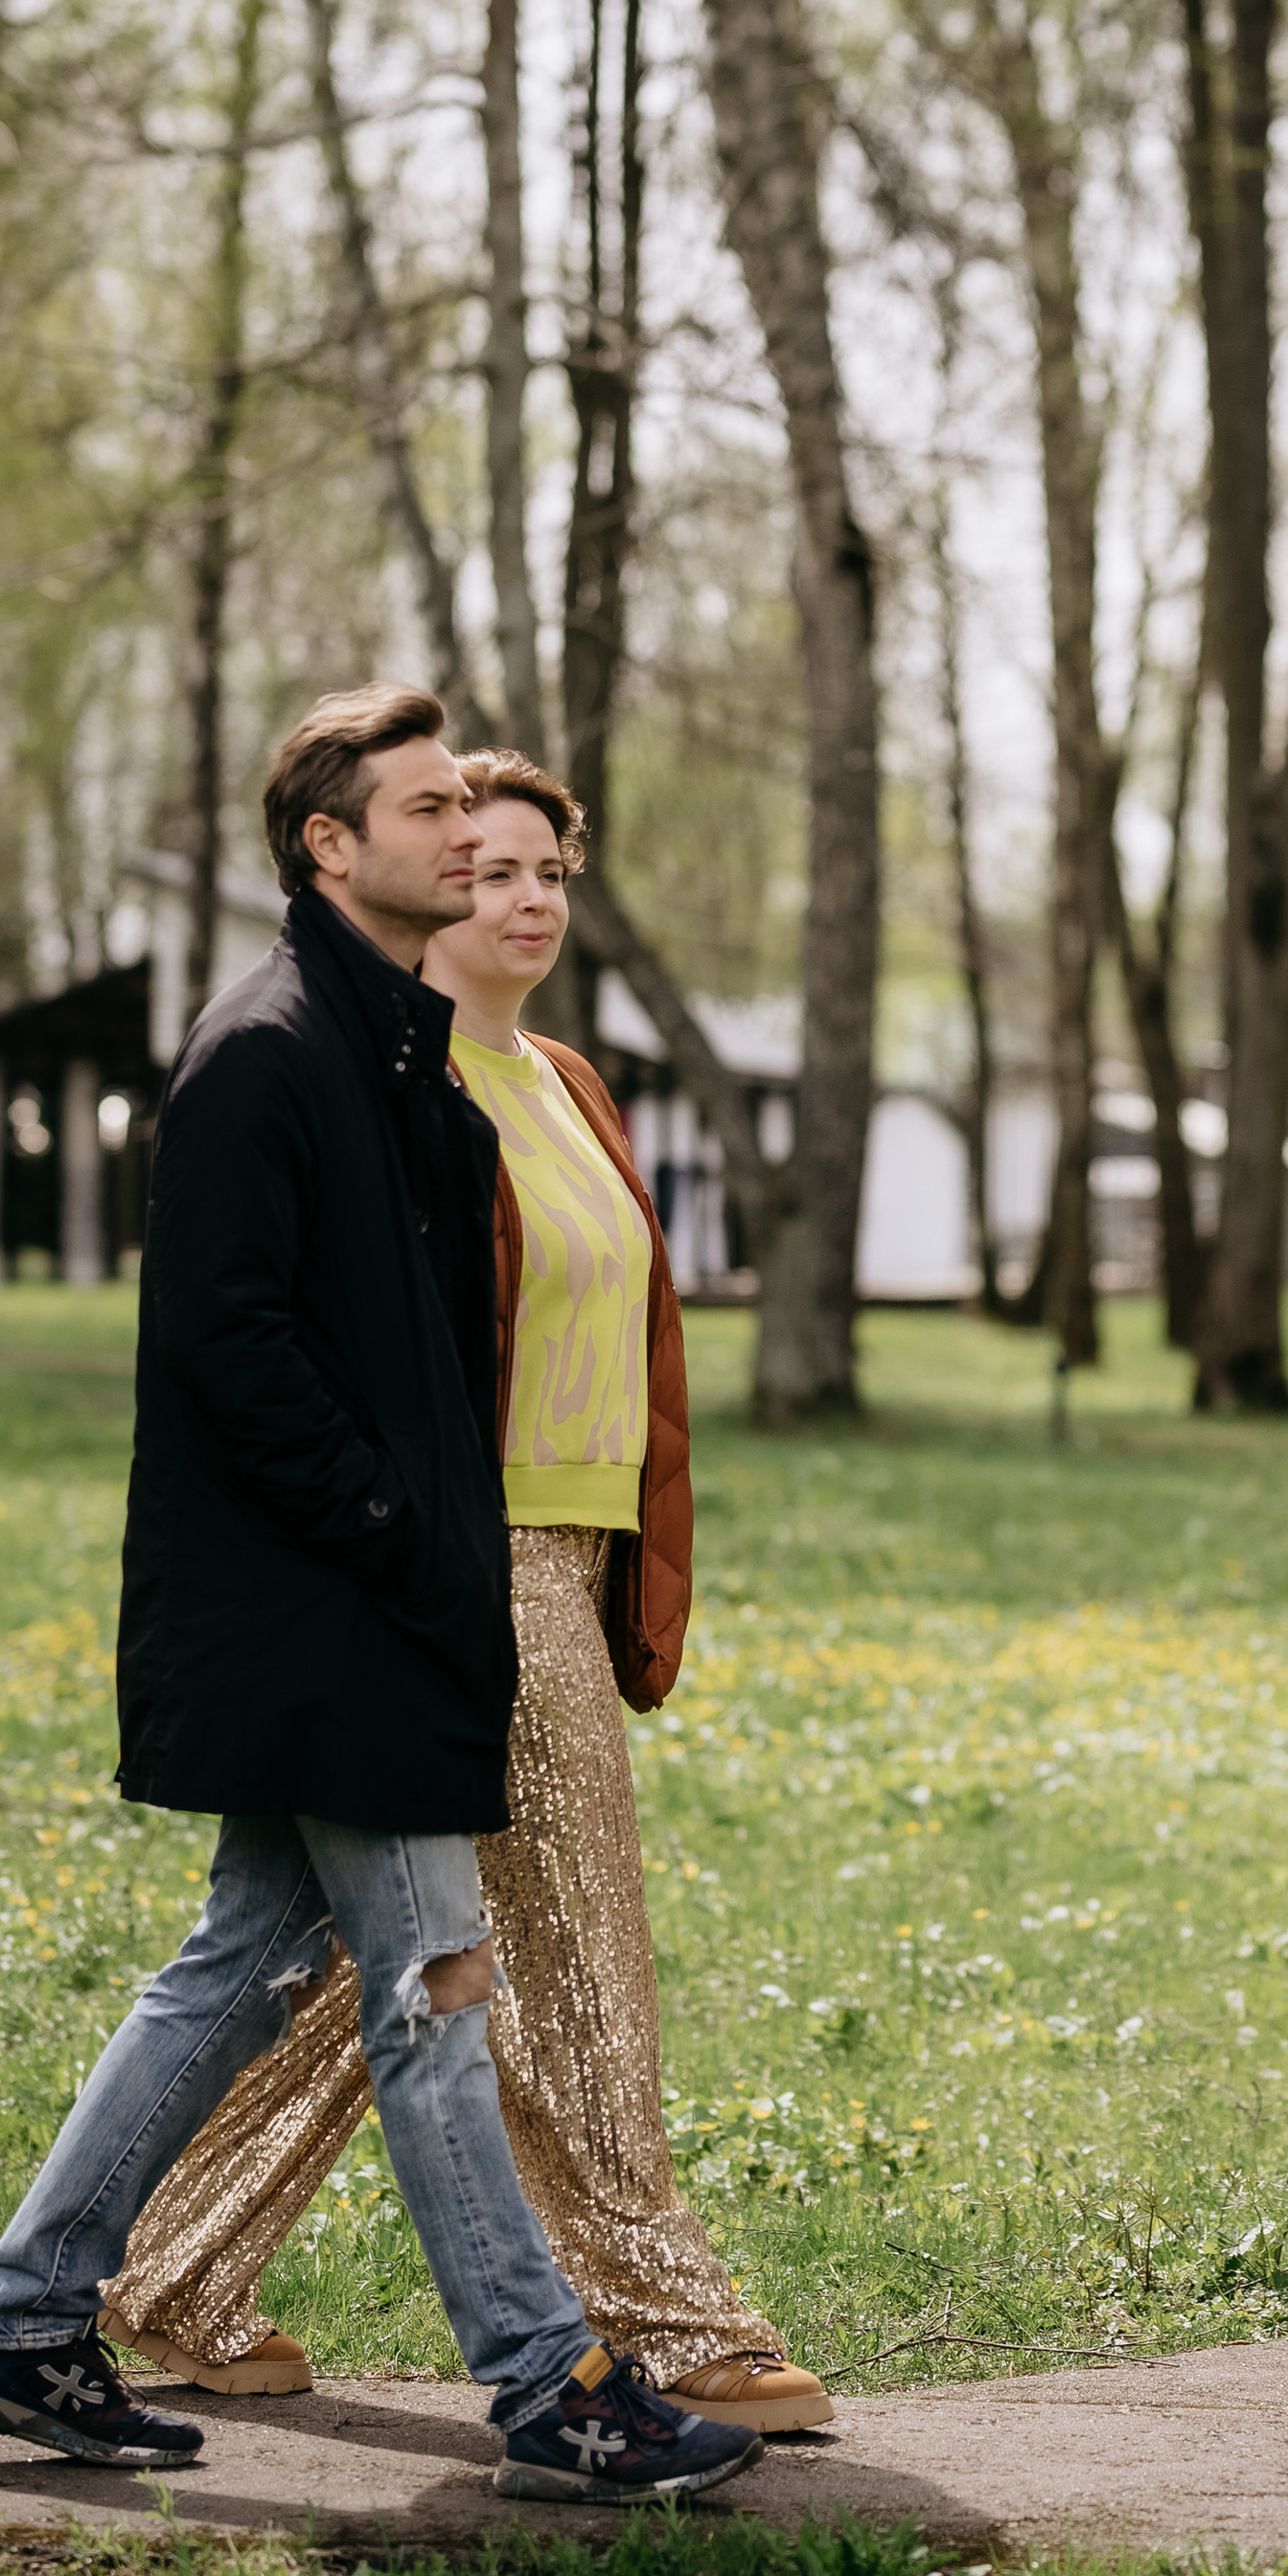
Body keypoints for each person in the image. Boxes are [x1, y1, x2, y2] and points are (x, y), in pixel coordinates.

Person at [0, 687, 761, 2511]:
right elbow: (228, 1348)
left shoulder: (392, 1049)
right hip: (339, 1611)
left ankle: (22, 2317)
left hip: (387, 1595)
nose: (470, 839)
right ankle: (555, 2388)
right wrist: (403, 1530)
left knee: (238, 1965)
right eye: (433, 810)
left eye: (487, 813)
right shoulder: (268, 1048)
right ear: (331, 844)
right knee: (440, 1987)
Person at [102, 749, 831, 2430]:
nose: (521, 895)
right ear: (416, 883)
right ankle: (658, 2314)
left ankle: (172, 2264)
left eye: (547, 869)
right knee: (575, 1942)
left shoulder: (568, 1080)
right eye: (484, 861)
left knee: (372, 1959)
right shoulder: (397, 1079)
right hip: (460, 1556)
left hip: (571, 1556)